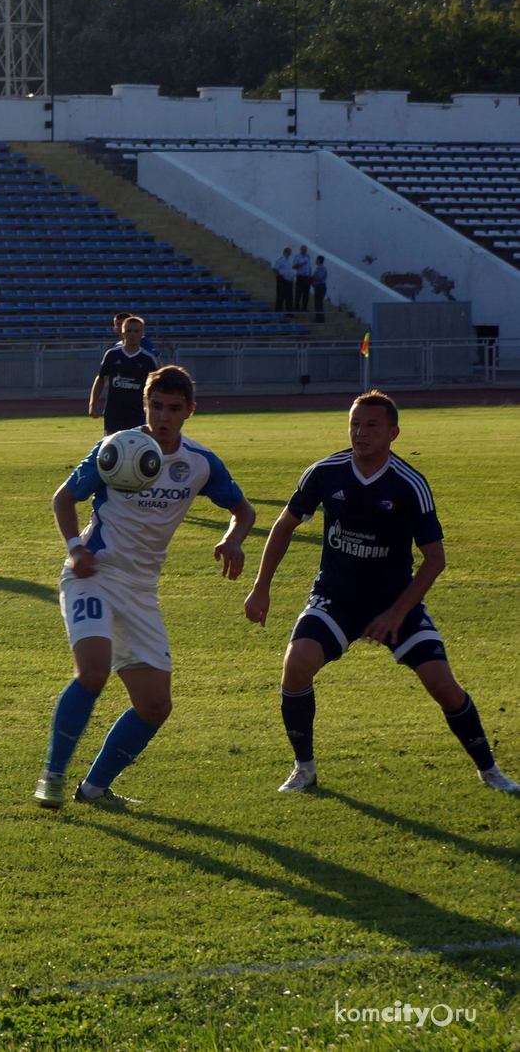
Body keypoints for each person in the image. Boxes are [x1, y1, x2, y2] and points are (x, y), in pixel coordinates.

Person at [243, 392, 519, 795]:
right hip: (336, 598)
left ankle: (490, 771)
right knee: (297, 664)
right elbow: (284, 526)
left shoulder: (409, 484)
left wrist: (396, 613)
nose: (361, 432)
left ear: (393, 433)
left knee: (442, 685)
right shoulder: (325, 472)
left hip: (395, 602)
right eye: (355, 424)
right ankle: (304, 769)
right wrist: (260, 588)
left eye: (372, 425)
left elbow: (434, 560)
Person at [35, 365, 256, 808]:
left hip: (140, 591)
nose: (164, 416)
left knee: (155, 706)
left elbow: (244, 510)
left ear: (190, 410)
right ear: (145, 405)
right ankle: (52, 778)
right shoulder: (116, 449)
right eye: (156, 406)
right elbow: (63, 498)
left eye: (174, 408)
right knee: (94, 672)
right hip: (92, 575)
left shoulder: (199, 462)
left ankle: (94, 789)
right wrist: (76, 548)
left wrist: (232, 540)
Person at [89, 316, 158, 434]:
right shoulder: (112, 355)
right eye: (129, 331)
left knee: (136, 449)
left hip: (137, 414)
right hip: (113, 414)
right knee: (112, 447)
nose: (132, 334)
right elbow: (101, 378)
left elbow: (156, 386)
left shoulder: (147, 359)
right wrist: (93, 404)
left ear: (142, 334)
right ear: (123, 333)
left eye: (136, 331)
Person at [272, 246, 294, 312]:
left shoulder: (288, 259)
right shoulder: (280, 259)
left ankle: (289, 312)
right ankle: (278, 311)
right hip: (282, 280)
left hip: (289, 280)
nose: (291, 253)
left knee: (289, 297)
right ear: (287, 252)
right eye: (290, 252)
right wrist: (280, 274)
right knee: (280, 296)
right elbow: (274, 268)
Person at [292, 245, 312, 313]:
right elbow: (294, 267)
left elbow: (309, 267)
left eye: (305, 250)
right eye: (303, 250)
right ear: (300, 250)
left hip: (307, 277)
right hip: (300, 276)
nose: (304, 251)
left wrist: (310, 275)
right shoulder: (297, 257)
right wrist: (301, 264)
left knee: (306, 293)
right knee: (298, 293)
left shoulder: (307, 257)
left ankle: (304, 308)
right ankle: (296, 307)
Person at [310, 254, 328, 323]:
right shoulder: (318, 268)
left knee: (319, 304)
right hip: (317, 287)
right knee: (317, 303)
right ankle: (318, 318)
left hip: (320, 287)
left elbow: (319, 277)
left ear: (319, 260)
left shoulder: (322, 268)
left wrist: (312, 277)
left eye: (317, 259)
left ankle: (320, 319)